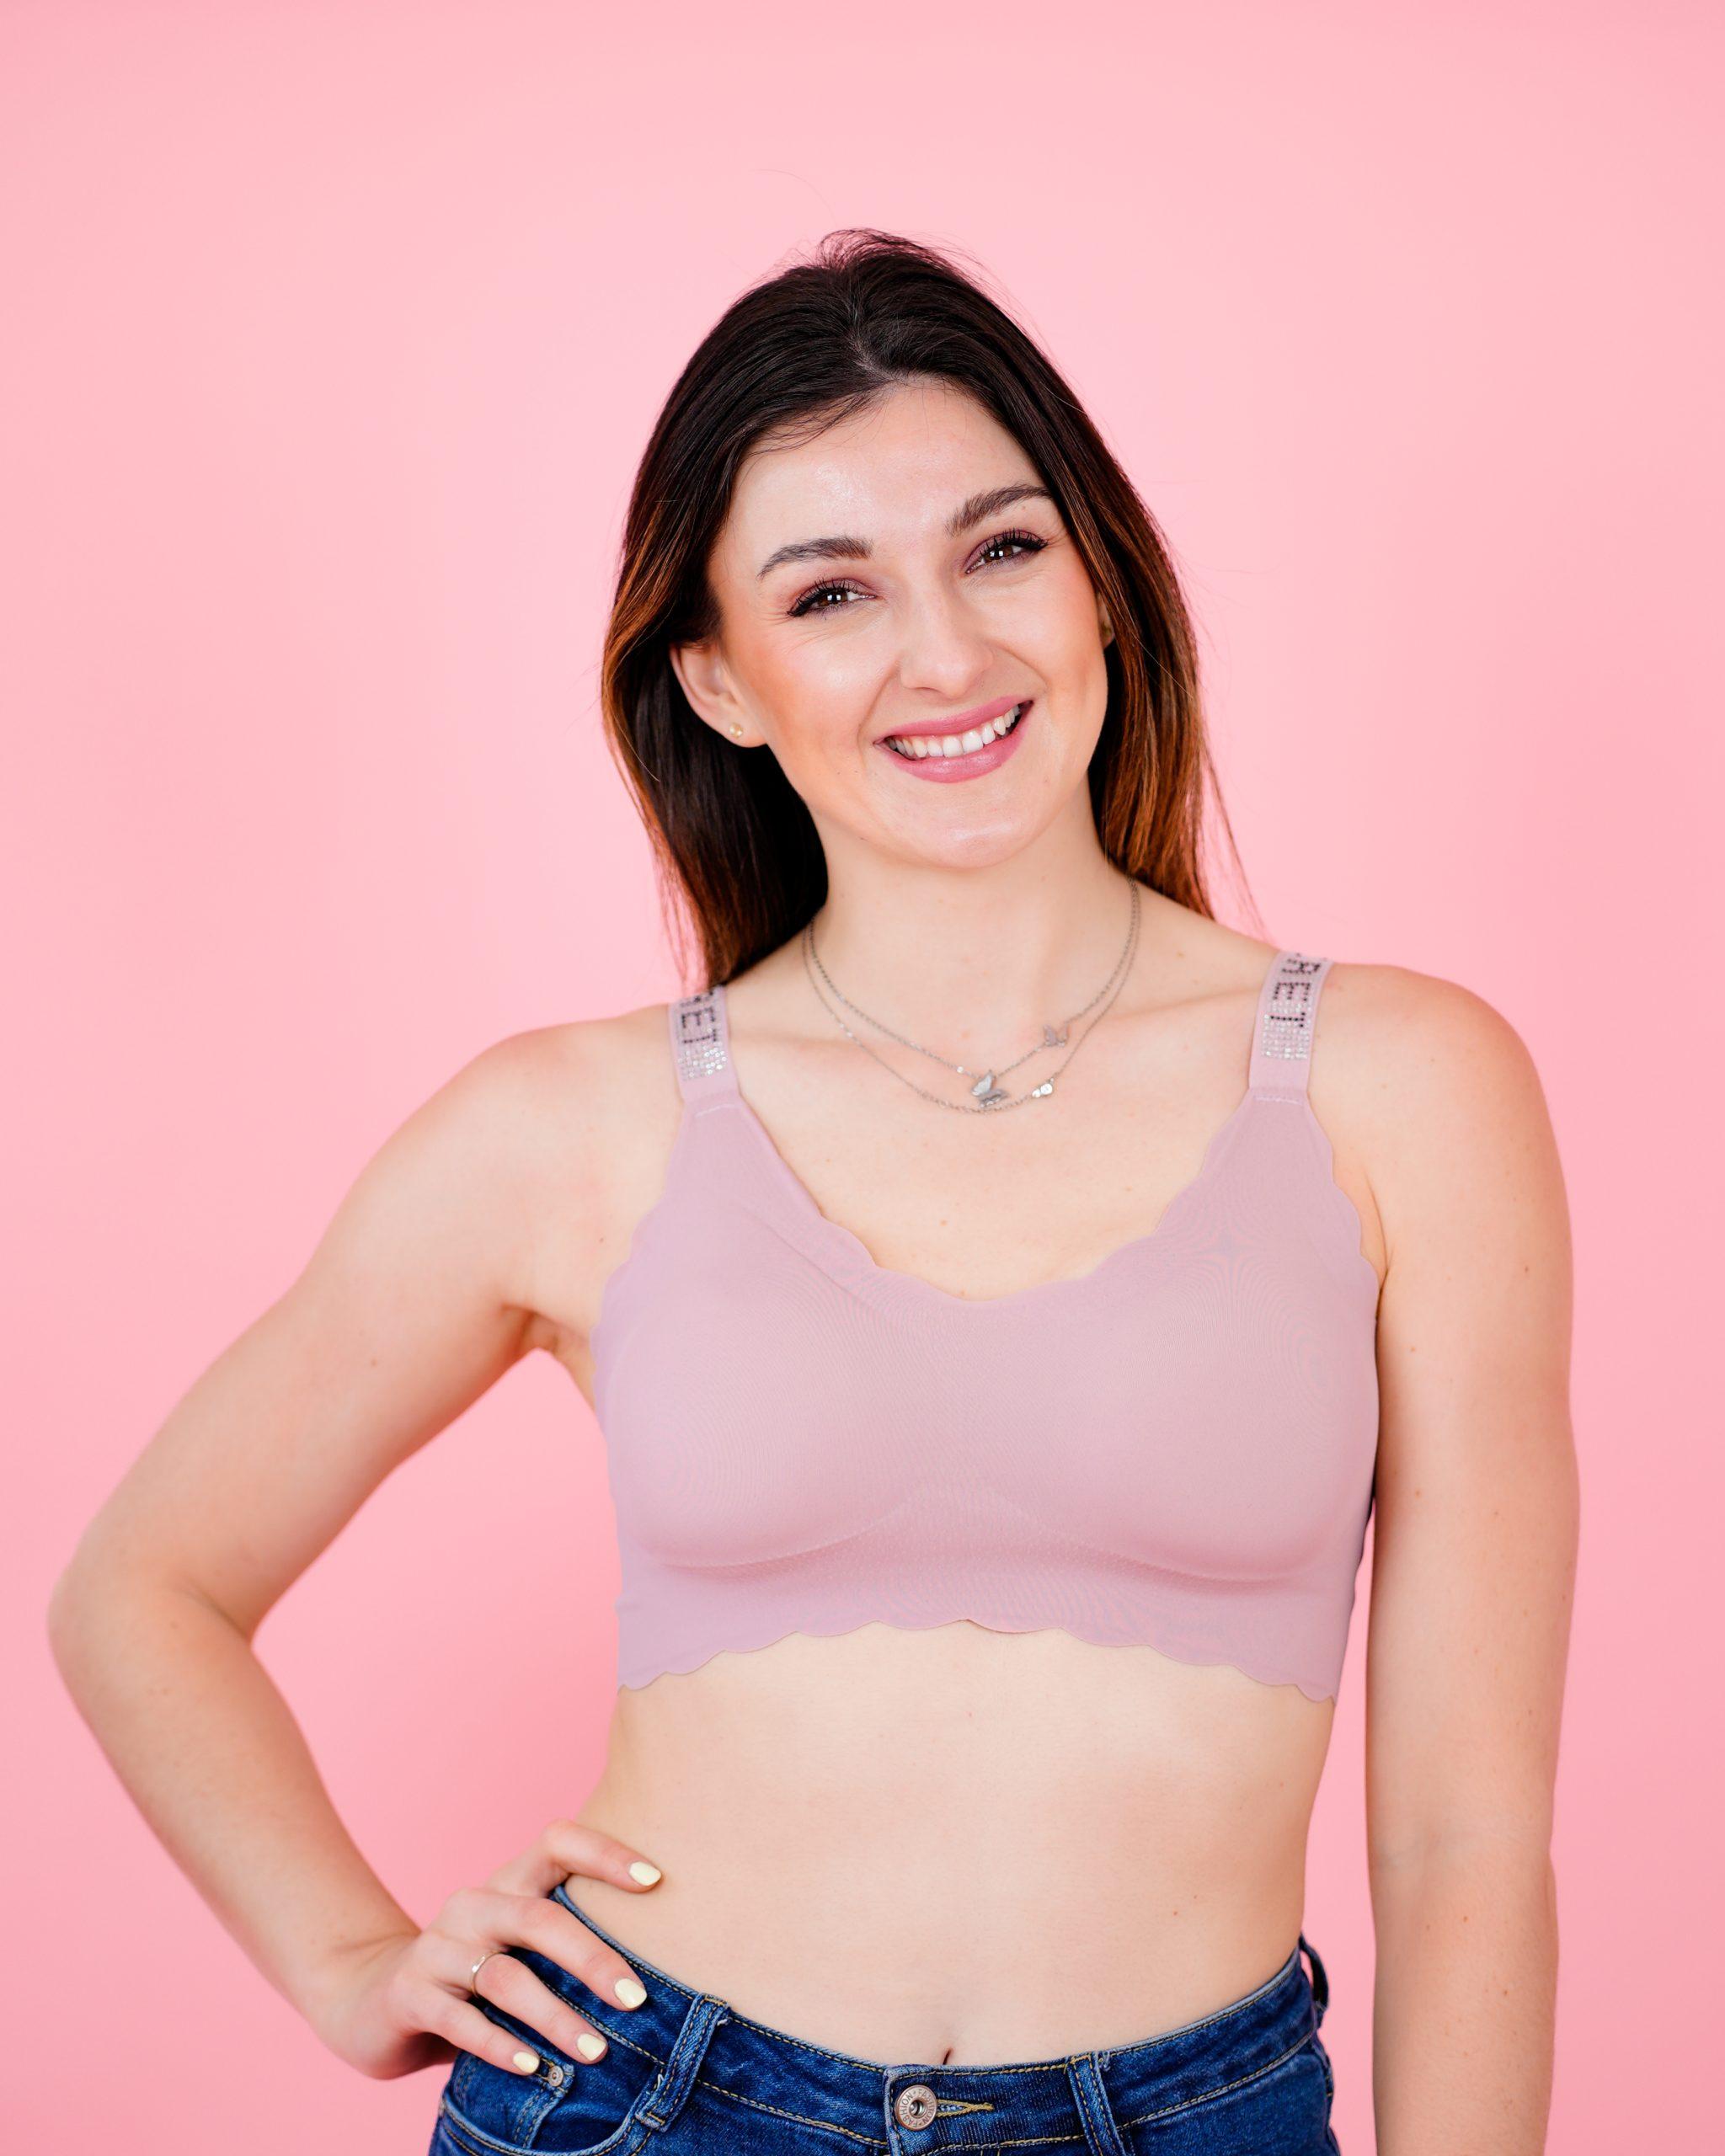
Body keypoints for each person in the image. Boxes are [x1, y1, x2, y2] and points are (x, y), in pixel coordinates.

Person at [48, 229, 1578, 2155]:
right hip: (655, 2104)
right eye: (830, 591)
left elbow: (1461, 1834)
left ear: (1103, 582)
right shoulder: (573, 1124)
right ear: (719, 677)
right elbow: (144, 1588)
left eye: (1002, 548)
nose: (945, 653)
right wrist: (350, 1954)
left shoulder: (1400, 1085)